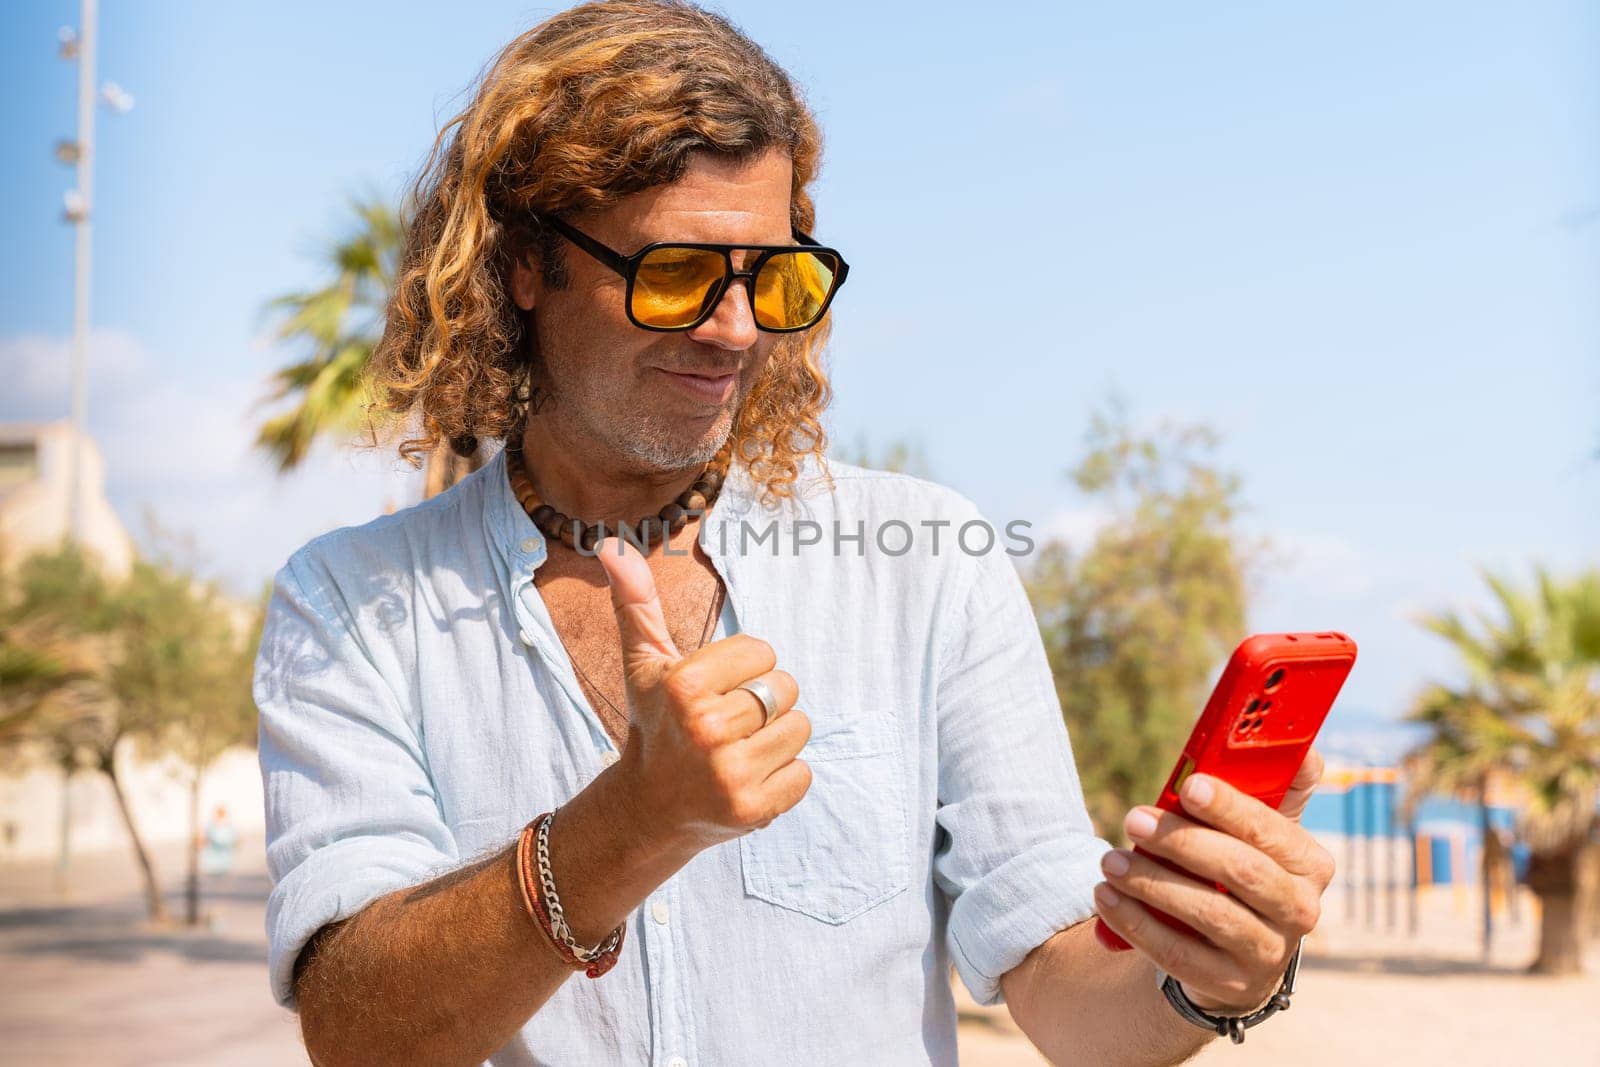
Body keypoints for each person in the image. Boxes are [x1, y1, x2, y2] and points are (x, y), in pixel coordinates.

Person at [253, 3, 1335, 1064]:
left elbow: (1069, 999)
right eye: (674, 274)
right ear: (528, 264)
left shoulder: (930, 564)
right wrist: (627, 826)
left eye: (769, 278)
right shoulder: (350, 602)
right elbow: (357, 1031)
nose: (734, 329)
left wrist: (1202, 970)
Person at [199, 805, 237, 877]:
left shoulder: (228, 826)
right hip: (213, 862)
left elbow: (233, 841)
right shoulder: (211, 826)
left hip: (224, 862)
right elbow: (204, 840)